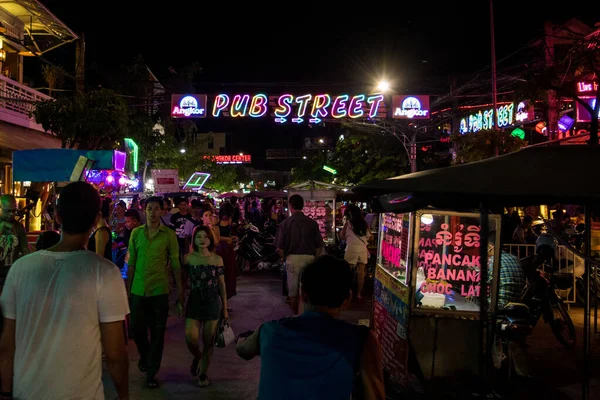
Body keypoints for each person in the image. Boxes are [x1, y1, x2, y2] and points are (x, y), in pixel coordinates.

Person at [0, 181, 129, 400]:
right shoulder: (105, 272)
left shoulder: (20, 269)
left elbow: (7, 344)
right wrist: (124, 395)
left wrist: (5, 392)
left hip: (27, 392)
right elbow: (115, 353)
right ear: (96, 218)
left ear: (57, 217)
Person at [236, 255, 385, 400]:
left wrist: (244, 338)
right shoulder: (362, 339)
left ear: (303, 294)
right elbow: (375, 394)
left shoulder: (270, 331)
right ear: (347, 300)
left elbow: (243, 350)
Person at [128, 196, 184, 389]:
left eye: (156, 209)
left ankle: (152, 372)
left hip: (159, 290)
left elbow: (176, 264)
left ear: (162, 211)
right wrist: (127, 290)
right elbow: (132, 262)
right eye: (149, 209)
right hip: (138, 289)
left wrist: (181, 292)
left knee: (158, 333)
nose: (152, 212)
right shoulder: (135, 233)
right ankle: (145, 355)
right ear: (144, 211)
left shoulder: (169, 235)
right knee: (136, 328)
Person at [183, 226, 229, 387]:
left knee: (208, 340)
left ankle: (203, 374)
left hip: (212, 302)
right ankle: (198, 357)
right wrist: (180, 300)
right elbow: (182, 282)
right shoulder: (188, 259)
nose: (202, 240)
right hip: (194, 301)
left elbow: (222, 286)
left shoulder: (217, 259)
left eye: (206, 237)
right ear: (194, 240)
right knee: (191, 338)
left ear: (210, 240)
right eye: (199, 237)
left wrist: (225, 309)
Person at [274, 194, 325, 314]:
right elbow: (319, 246)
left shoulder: (285, 224)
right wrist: (314, 258)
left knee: (292, 293)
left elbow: (279, 248)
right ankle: (305, 316)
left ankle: (296, 316)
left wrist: (284, 259)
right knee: (307, 291)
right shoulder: (312, 223)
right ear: (303, 206)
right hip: (309, 259)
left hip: (292, 259)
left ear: (290, 206)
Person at [340, 204, 372, 301]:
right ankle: (359, 293)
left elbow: (342, 236)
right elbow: (370, 236)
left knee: (348, 272)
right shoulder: (364, 223)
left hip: (351, 249)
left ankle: (348, 291)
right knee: (361, 272)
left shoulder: (348, 223)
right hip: (362, 249)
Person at [0, 195, 30, 294]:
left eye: (13, 211)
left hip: (12, 275)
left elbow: (25, 250)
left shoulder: (19, 227)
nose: (11, 214)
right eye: (8, 211)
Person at [216, 202, 237, 305]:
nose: (226, 217)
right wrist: (227, 238)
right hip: (219, 250)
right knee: (219, 274)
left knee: (229, 274)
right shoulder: (216, 220)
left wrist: (233, 238)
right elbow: (216, 236)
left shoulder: (229, 220)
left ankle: (225, 301)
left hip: (228, 250)